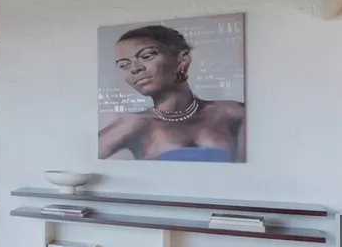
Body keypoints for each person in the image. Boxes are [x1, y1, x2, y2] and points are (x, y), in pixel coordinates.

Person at [97, 24, 245, 161]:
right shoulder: (134, 124)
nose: (134, 69)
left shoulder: (232, 113)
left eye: (147, 56)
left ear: (182, 60)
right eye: (124, 65)